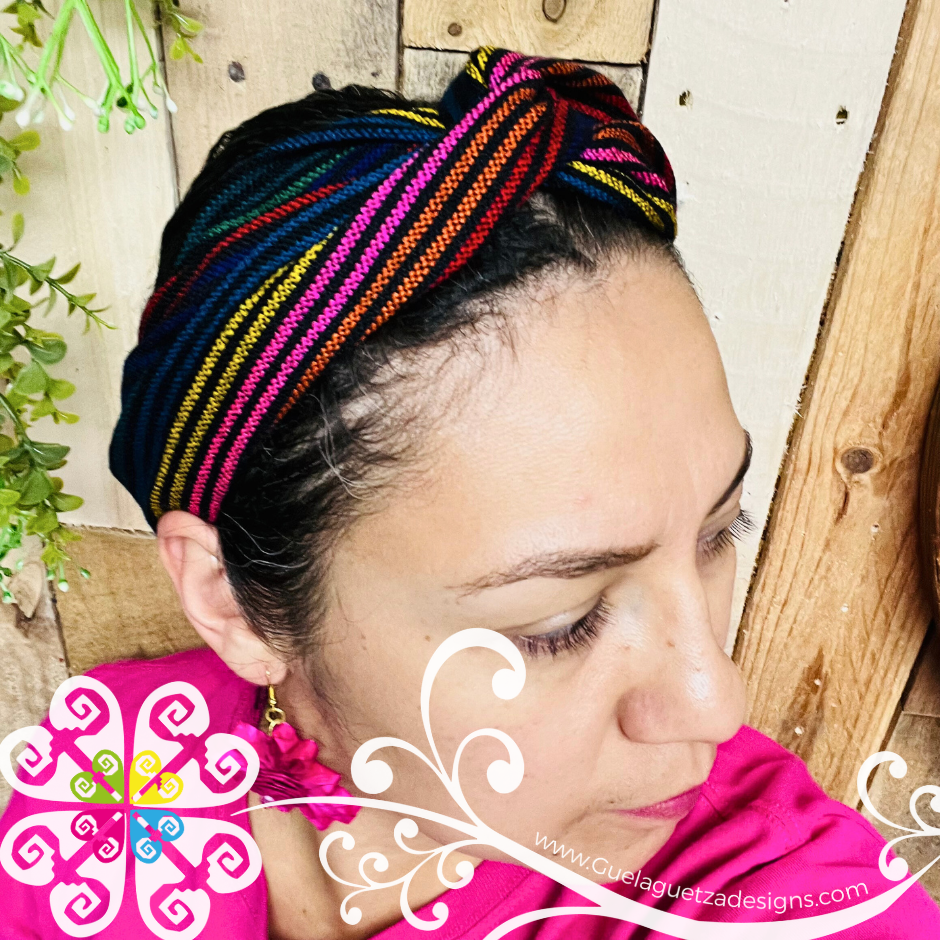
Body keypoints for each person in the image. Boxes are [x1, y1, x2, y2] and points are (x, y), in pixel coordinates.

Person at [1, 47, 939, 940]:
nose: (715, 703)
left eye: (718, 532)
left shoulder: (790, 896)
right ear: (231, 602)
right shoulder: (108, 779)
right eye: (560, 624)